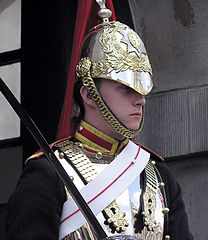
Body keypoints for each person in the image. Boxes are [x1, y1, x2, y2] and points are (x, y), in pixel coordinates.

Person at [6, 1, 194, 240]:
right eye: (126, 89)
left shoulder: (160, 177)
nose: (141, 101)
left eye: (142, 90)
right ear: (88, 94)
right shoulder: (48, 175)